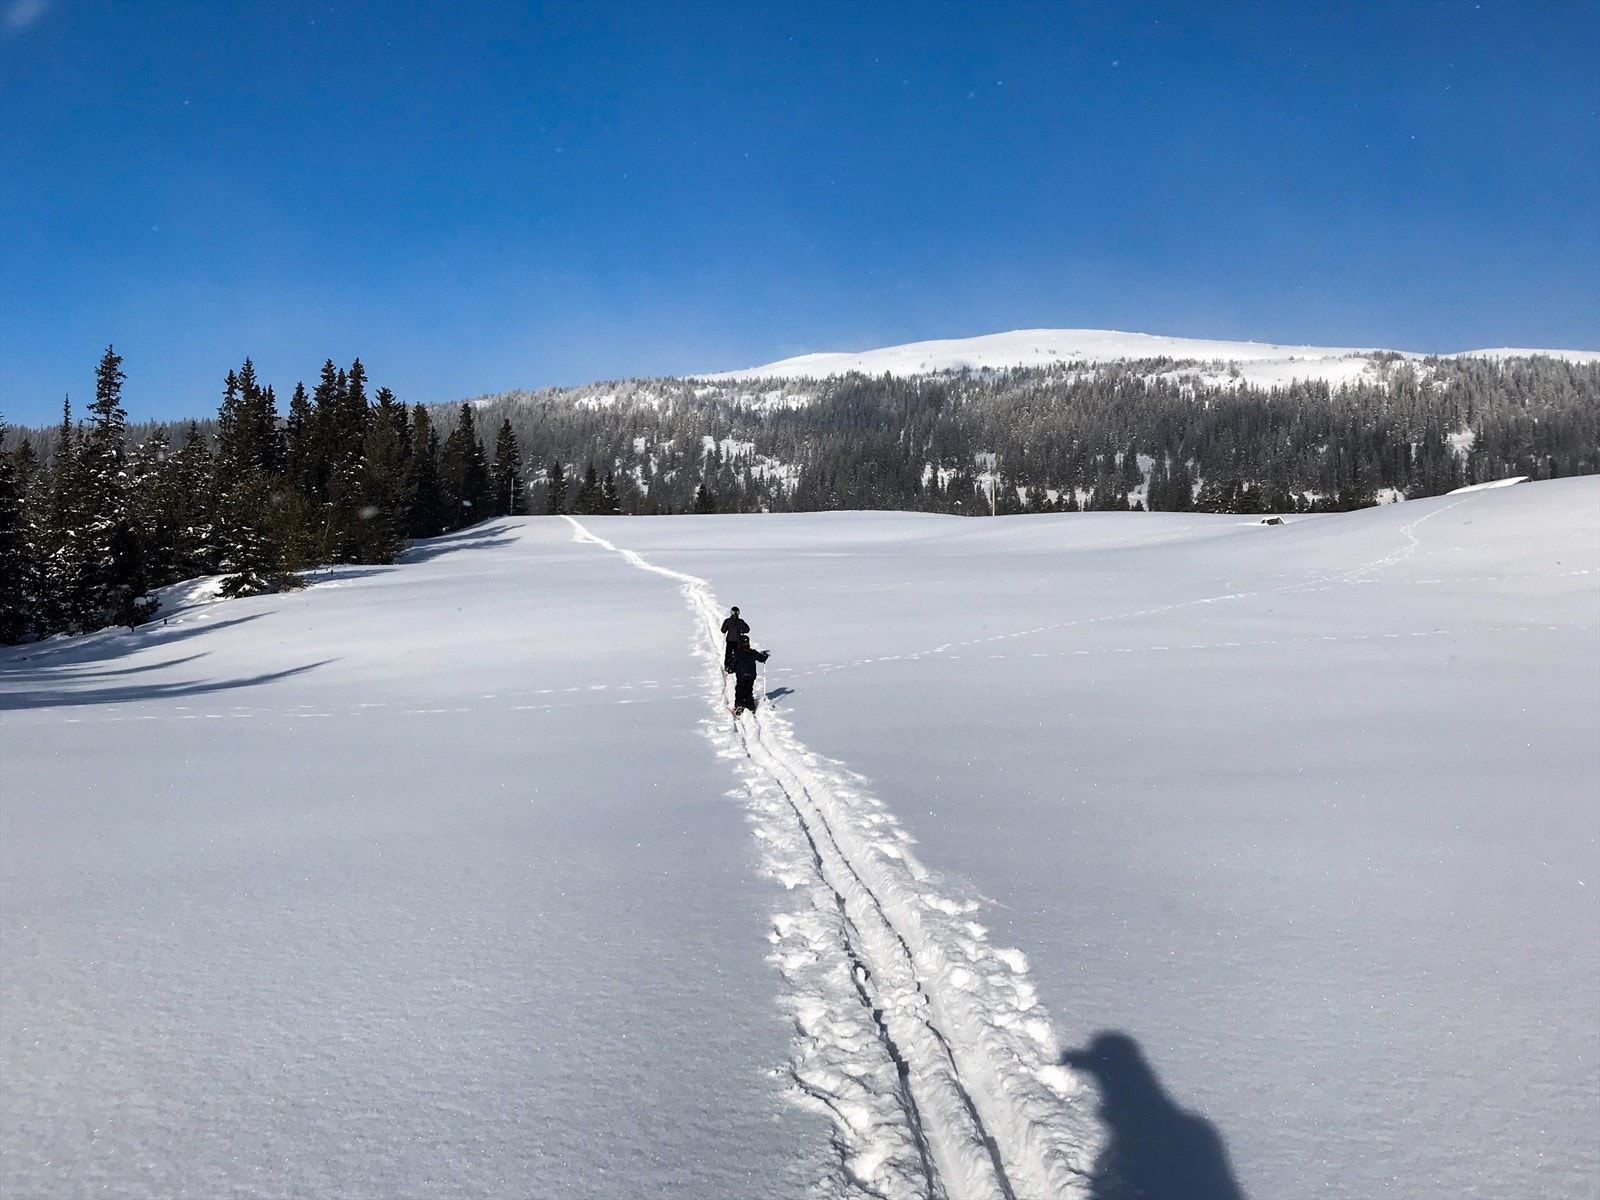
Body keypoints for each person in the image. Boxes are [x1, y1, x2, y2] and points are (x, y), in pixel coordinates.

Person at [729, 633, 769, 716]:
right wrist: (765, 655)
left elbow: (733, 664)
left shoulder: (737, 653)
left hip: (741, 675)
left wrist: (731, 669)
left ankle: (739, 705)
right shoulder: (753, 652)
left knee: (740, 690)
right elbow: (762, 658)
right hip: (751, 675)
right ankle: (750, 706)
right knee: (748, 690)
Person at [721, 606, 749, 674]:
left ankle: (727, 666)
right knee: (737, 654)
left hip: (730, 640)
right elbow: (747, 629)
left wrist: (727, 628)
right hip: (737, 641)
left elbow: (723, 630)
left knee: (728, 654)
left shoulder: (727, 621)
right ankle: (736, 666)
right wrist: (742, 631)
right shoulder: (740, 622)